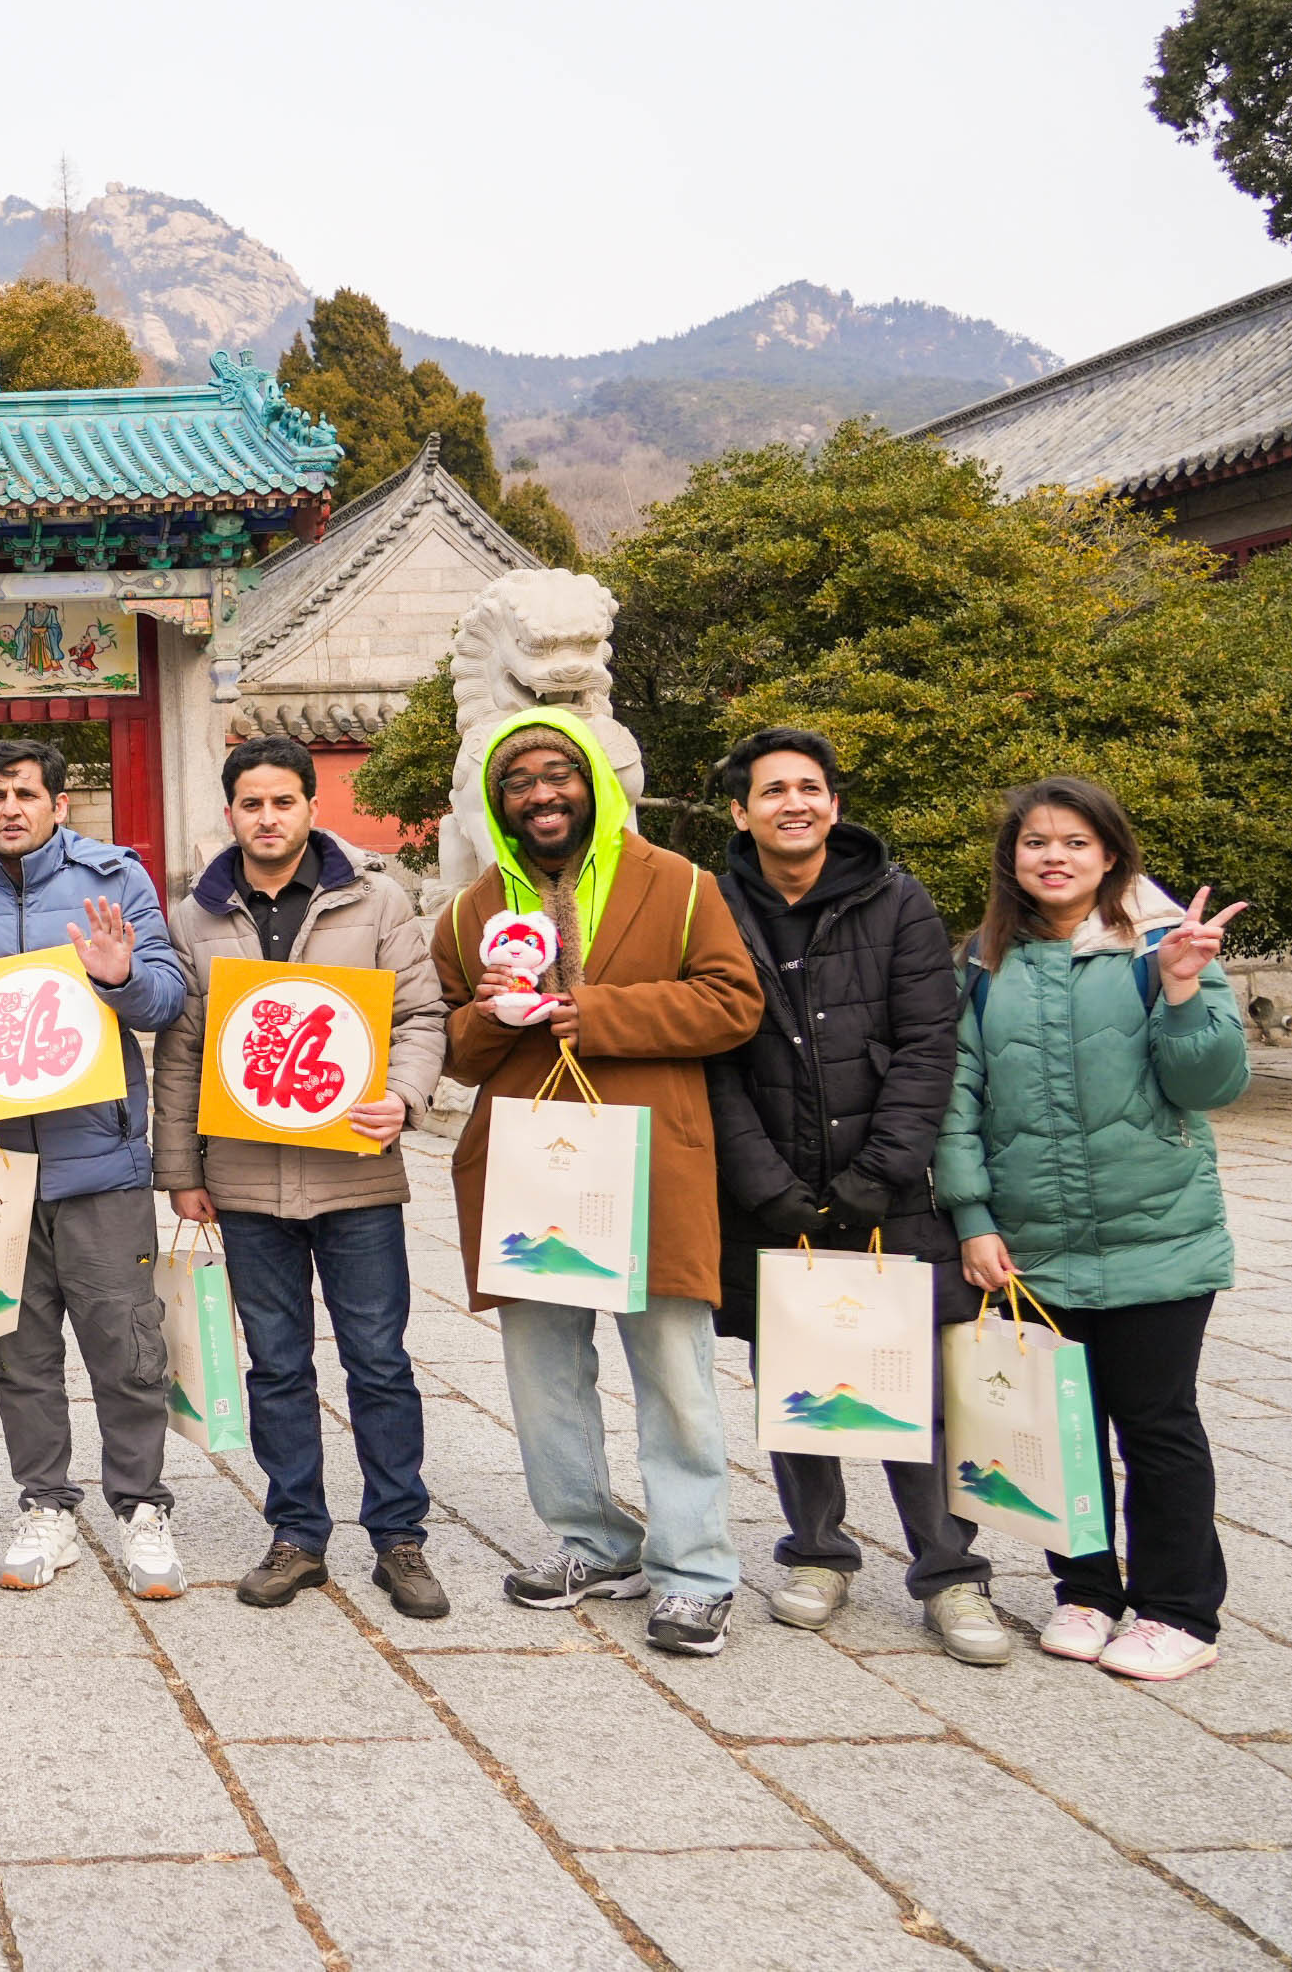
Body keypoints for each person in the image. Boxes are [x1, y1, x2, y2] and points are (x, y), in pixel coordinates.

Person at [435, 709, 764, 1657]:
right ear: (498, 804)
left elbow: (733, 1002)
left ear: (594, 784)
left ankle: (696, 1569)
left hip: (651, 1156)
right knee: (544, 1378)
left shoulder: (682, 884)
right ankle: (591, 1540)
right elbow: (455, 1046)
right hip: (530, 1166)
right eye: (518, 782)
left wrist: (594, 1010)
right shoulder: (472, 911)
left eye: (556, 773)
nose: (540, 793)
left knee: (674, 1375)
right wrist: (499, 1011)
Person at [936, 777, 1253, 1682]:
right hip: (1033, 1244)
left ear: (1110, 854)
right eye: (1036, 842)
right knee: (1055, 1424)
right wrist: (972, 1216)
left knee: (1157, 1426)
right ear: (1013, 861)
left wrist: (1186, 990)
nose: (1054, 856)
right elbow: (960, 1098)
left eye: (1076, 841)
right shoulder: (985, 963)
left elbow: (1210, 1085)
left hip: (1158, 1234)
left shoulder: (1161, 946)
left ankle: (1178, 1610)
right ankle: (1084, 1590)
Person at [703, 729, 1006, 1664]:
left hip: (889, 1187)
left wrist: (879, 1173)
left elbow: (928, 1046)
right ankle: (819, 1550)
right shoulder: (711, 906)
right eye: (773, 790)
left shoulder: (897, 898)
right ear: (740, 811)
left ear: (833, 804)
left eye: (810, 788)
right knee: (798, 1377)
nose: (793, 803)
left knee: (914, 1383)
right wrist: (765, 1183)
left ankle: (951, 1574)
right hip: (772, 1190)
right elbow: (713, 1059)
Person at [152, 737, 451, 1621]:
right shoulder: (198, 917)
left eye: (284, 801)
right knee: (276, 1364)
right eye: (252, 804)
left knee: (380, 1360)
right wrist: (181, 1169)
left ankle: (399, 1535)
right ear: (230, 812)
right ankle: (297, 1533)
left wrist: (403, 1095)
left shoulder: (376, 898)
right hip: (243, 1181)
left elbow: (419, 1012)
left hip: (355, 1171)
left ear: (310, 807)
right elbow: (182, 1052)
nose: (268, 818)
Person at [0, 737, 191, 1597]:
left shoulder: (115, 882)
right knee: (16, 1349)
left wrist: (120, 976)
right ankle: (45, 1502)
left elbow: (169, 997)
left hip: (97, 1158)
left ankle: (141, 1507)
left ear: (60, 805)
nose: (11, 809)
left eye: (27, 793)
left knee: (126, 1342)